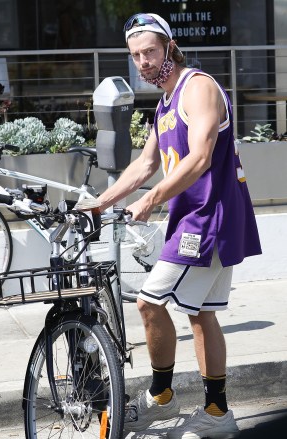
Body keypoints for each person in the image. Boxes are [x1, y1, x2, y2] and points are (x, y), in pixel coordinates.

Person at [96, 12, 262, 438]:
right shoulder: (165, 104)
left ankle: (161, 396)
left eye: (150, 51)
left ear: (170, 47)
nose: (143, 62)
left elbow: (200, 157)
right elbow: (145, 164)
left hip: (209, 218)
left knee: (150, 303)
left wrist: (151, 199)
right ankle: (217, 413)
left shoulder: (198, 87)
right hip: (195, 218)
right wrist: (99, 204)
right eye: (136, 56)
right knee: (202, 315)